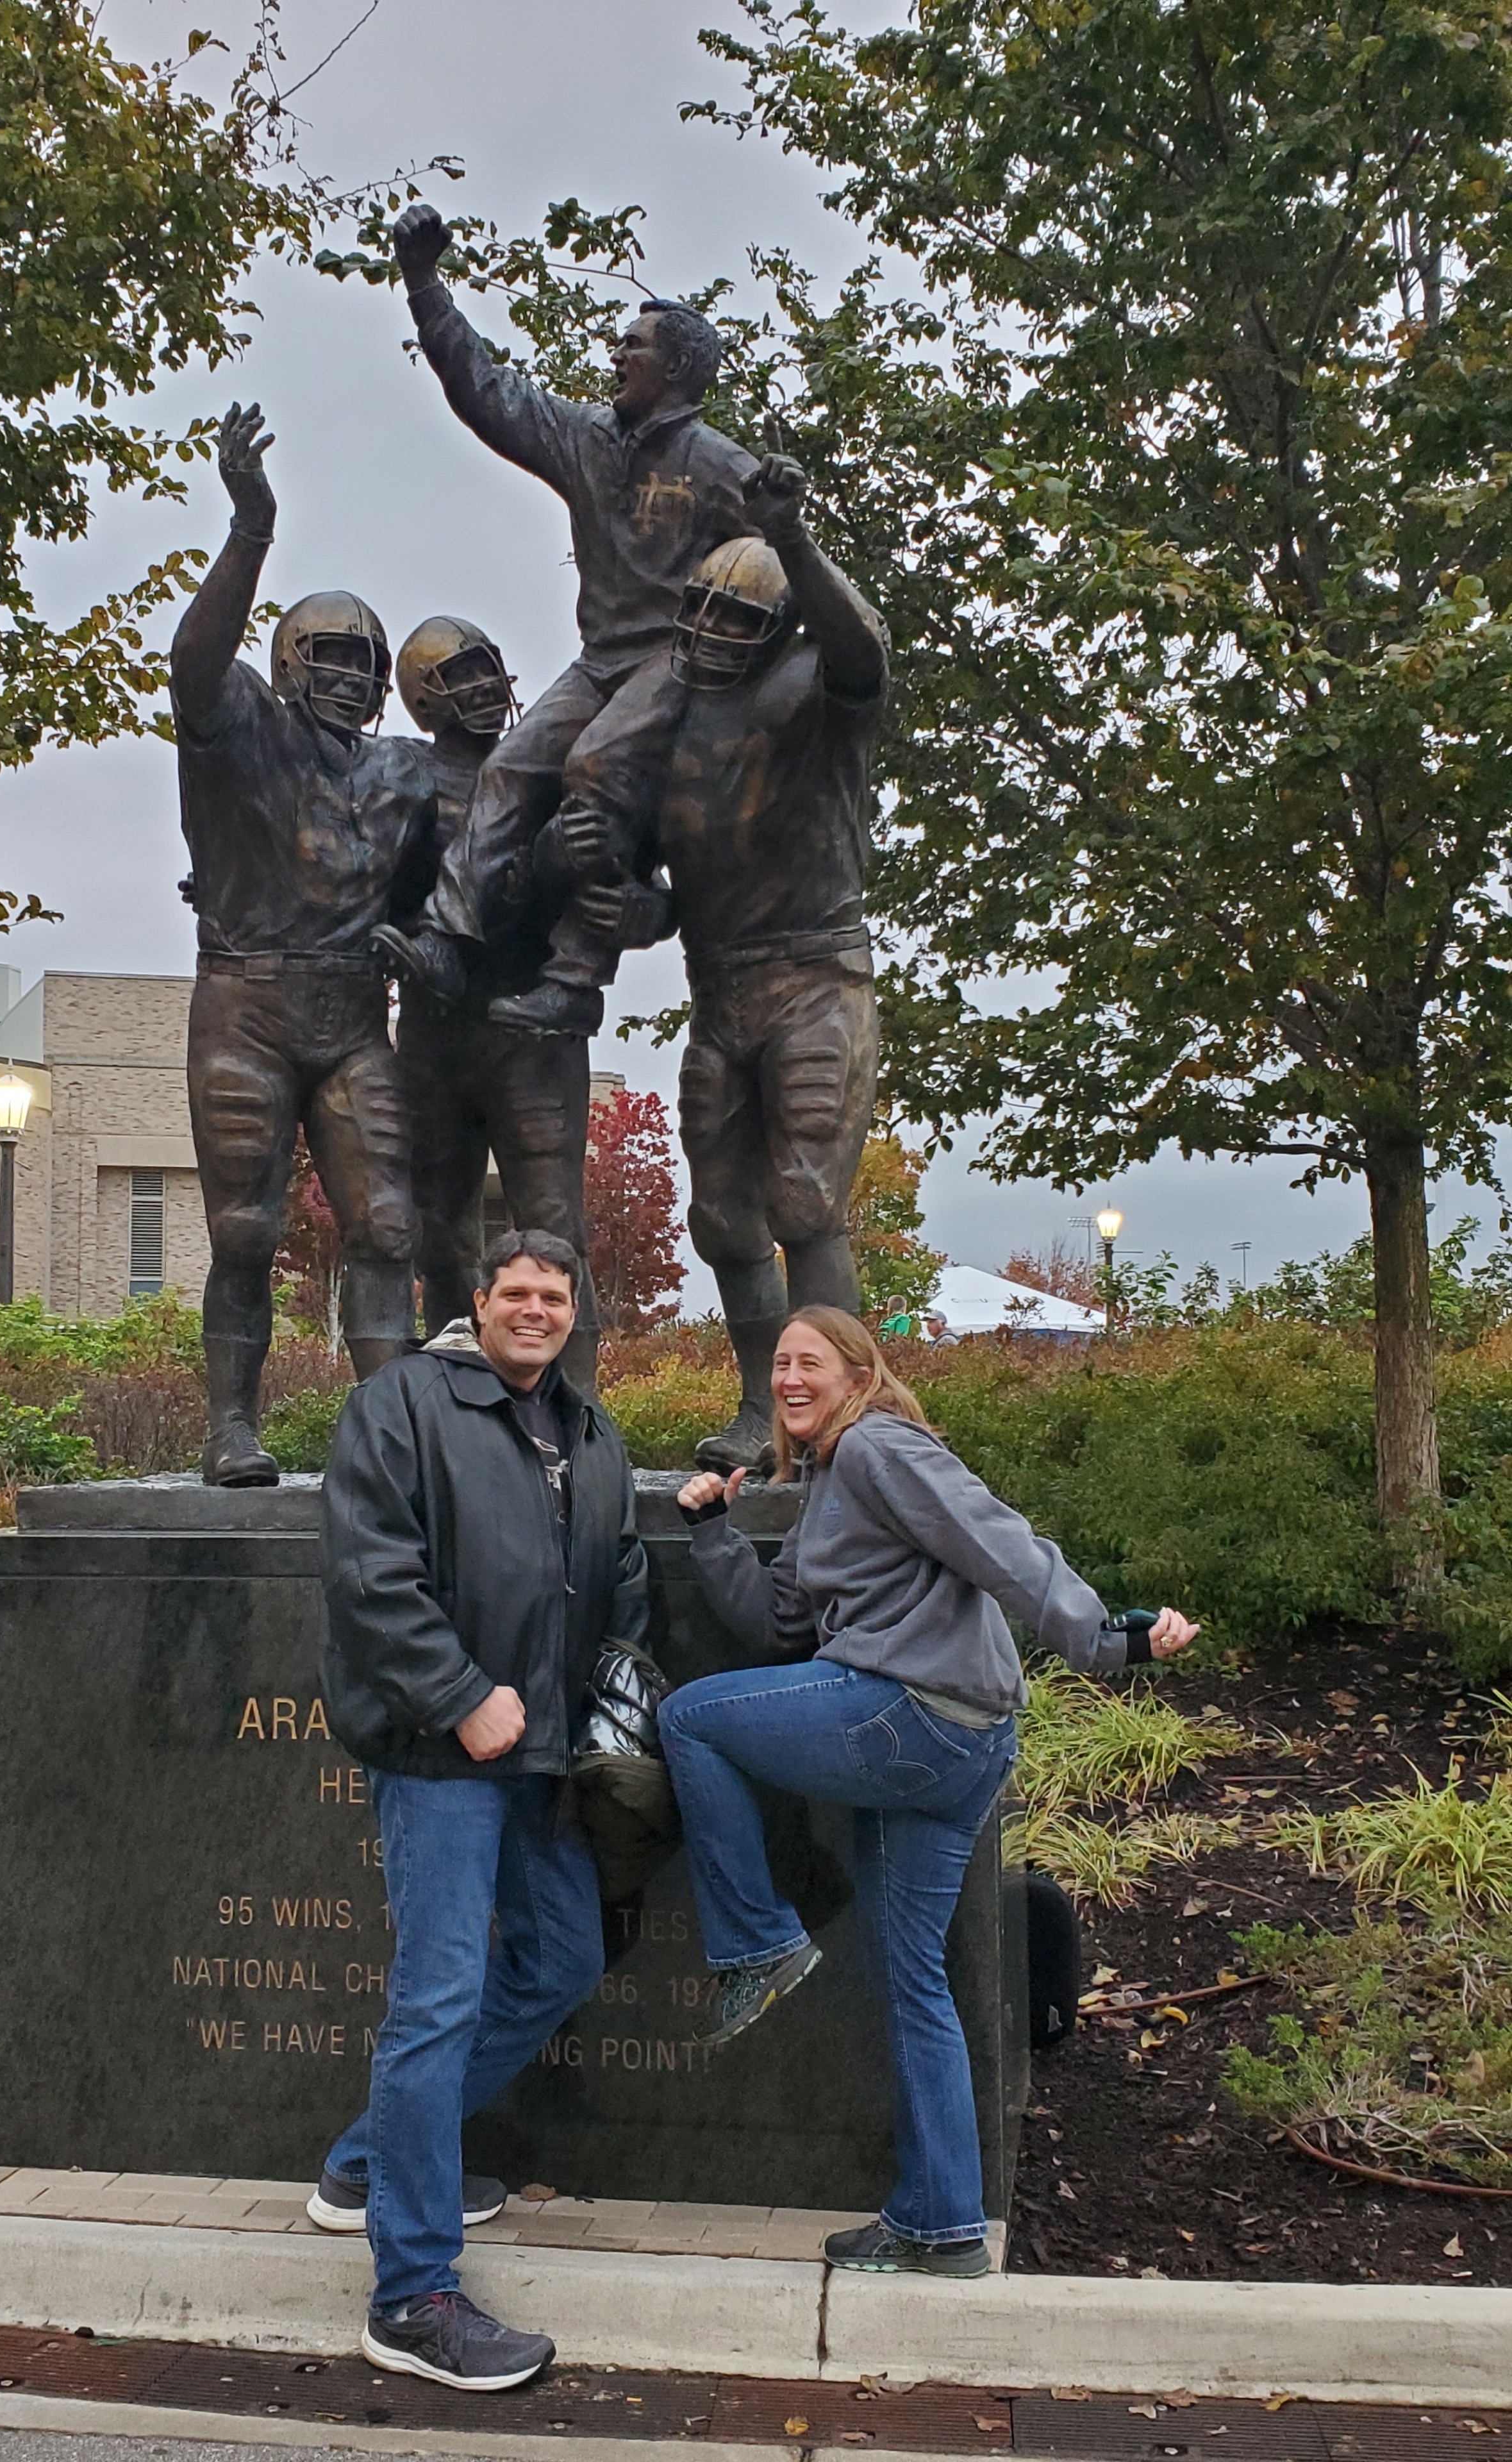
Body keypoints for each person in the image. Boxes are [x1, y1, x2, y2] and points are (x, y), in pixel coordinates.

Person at [667, 1306, 1198, 2276]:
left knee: (690, 1719)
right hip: (954, 1747)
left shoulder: (878, 1446)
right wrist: (711, 1532)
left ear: (858, 1372)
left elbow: (996, 1538)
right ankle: (942, 2223)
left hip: (912, 1714)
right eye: (779, 1363)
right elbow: (780, 1627)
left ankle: (759, 1944)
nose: (791, 1378)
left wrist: (1102, 1639)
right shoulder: (825, 1479)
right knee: (912, 1976)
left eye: (811, 1362)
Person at [313, 1230, 649, 2390]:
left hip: (544, 1762)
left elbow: (618, 1573)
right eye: (518, 1292)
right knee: (439, 2001)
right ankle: (410, 2298)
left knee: (560, 1957)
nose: (536, 1310)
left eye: (555, 1295)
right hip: (440, 1756)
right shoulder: (403, 1403)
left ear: (574, 1311)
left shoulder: (590, 1430)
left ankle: (371, 2163)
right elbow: (368, 1573)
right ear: (479, 1301)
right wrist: (460, 1696)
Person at [371, 200, 760, 1038]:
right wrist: (424, 285)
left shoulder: (723, 466)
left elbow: (780, 575)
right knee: (511, 768)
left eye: (634, 346)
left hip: (676, 660)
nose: (617, 354)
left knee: (595, 763)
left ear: (678, 368)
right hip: (599, 661)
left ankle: (578, 976)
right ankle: (447, 939)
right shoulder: (587, 437)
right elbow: (486, 390)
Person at [588, 453, 889, 1472]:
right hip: (719, 988)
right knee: (721, 1218)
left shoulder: (813, 690)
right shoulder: (668, 714)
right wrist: (625, 902)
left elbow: (862, 654)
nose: (713, 633)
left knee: (805, 1203)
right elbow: (658, 892)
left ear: (776, 630)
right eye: (702, 611)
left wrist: (792, 538)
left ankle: (843, 1423)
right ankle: (767, 1408)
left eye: (737, 618)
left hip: (816, 978)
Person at [170, 402, 435, 1484]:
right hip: (246, 1004)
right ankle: (232, 1426)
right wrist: (251, 531)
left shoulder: (405, 770)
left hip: (353, 1013)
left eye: (368, 661)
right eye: (330, 654)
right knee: (244, 1229)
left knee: (387, 1225)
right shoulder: (243, 727)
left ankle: (393, 1438)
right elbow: (194, 662)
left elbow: (448, 881)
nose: (352, 676)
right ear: (287, 661)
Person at [392, 617, 664, 1389]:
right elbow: (350, 873)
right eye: (461, 676)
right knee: (437, 1231)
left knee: (556, 1229)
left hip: (534, 1034)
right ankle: (453, 1403)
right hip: (436, 1032)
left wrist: (639, 911)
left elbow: (647, 888)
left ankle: (576, 1417)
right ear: (423, 698)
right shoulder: (401, 775)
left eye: (488, 670)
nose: (483, 688)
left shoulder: (560, 770)